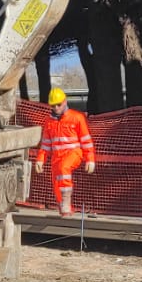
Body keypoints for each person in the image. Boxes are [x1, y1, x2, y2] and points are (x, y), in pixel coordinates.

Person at [33, 87, 96, 217]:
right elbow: (46, 144)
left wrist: (90, 159)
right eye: (53, 105)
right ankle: (65, 209)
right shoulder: (49, 121)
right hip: (57, 156)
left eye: (58, 104)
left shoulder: (77, 117)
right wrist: (40, 159)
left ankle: (66, 202)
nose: (56, 107)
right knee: (57, 182)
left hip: (74, 152)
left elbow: (86, 140)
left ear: (65, 101)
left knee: (64, 169)